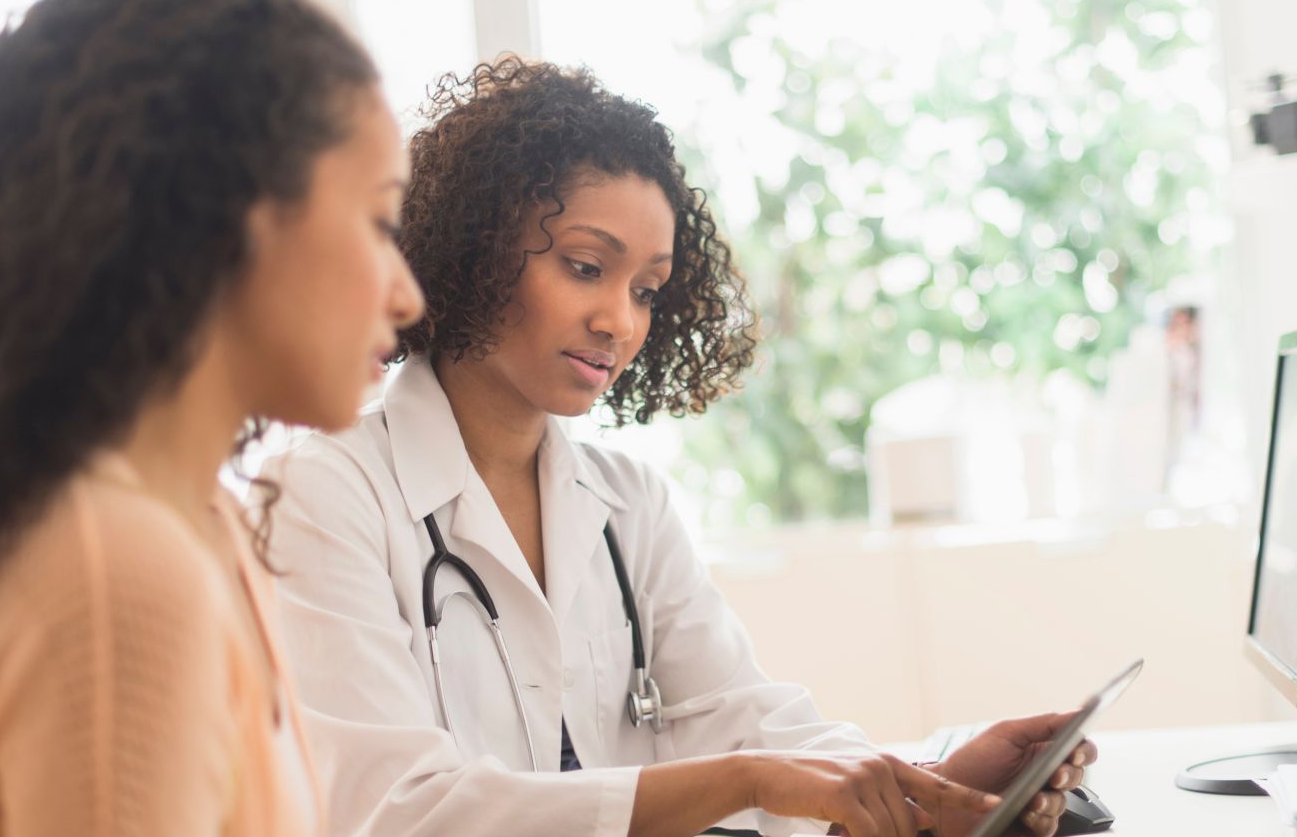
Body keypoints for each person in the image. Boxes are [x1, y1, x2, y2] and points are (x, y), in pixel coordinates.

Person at [264, 57, 1095, 837]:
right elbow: (398, 810)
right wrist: (745, 780)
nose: (619, 322)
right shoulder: (324, 493)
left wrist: (933, 783)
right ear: (475, 247)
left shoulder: (627, 503)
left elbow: (743, 715)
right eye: (587, 266)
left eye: (646, 291)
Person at [0, 0, 422, 835]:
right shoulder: (116, 574)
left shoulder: (206, 525)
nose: (407, 295)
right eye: (380, 222)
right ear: (237, 215)